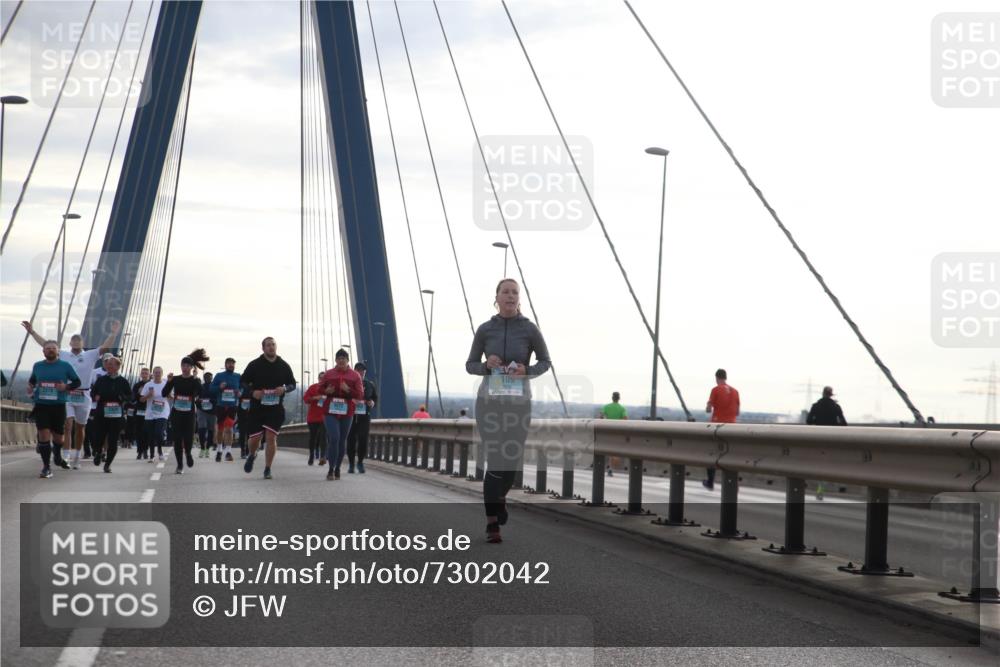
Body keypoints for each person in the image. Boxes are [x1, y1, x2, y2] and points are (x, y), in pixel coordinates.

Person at [466, 278, 551, 543]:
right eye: (506, 292)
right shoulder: (485, 329)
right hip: (489, 403)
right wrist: (486, 365)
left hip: (518, 405)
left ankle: (500, 497)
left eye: (515, 292)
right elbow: (470, 364)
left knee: (511, 462)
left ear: (519, 299)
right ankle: (492, 524)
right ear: (497, 297)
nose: (511, 296)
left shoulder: (529, 329)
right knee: (496, 460)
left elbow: (545, 361)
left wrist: (528, 370)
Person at [21, 319, 120, 468]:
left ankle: (76, 457)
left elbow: (105, 347)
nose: (75, 342)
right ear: (70, 343)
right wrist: (32, 332)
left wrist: (113, 333)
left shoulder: (91, 355)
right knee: (67, 425)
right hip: (67, 393)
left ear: (82, 343)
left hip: (84, 394)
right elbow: (45, 344)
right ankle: (66, 456)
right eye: (73, 340)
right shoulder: (64, 355)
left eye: (78, 340)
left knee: (80, 427)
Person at [242, 337, 296, 480]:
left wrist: (284, 389)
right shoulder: (254, 365)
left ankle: (267, 468)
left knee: (271, 438)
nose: (271, 347)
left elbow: (292, 384)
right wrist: (253, 392)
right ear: (263, 348)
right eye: (268, 345)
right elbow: (243, 382)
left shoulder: (283, 365)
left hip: (275, 409)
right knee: (255, 439)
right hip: (257, 408)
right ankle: (252, 454)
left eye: (273, 344)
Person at [27, 340, 81, 478]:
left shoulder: (65, 366)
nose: (50, 350)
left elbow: (77, 382)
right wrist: (30, 386)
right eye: (48, 348)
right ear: (43, 351)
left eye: (53, 348)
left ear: (58, 352)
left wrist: (66, 387)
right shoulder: (37, 366)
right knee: (44, 434)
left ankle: (57, 455)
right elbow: (33, 379)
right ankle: (46, 467)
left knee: (59, 438)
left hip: (58, 405)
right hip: (41, 405)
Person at [318, 349, 363, 480]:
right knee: (334, 438)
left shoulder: (355, 376)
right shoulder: (328, 374)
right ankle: (331, 469)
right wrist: (326, 390)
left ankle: (337, 468)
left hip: (347, 411)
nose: (341, 360)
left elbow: (360, 395)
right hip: (330, 411)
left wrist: (347, 389)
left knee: (342, 440)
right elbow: (320, 388)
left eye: (344, 358)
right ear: (336, 360)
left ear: (348, 360)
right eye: (339, 358)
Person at [162, 350, 207, 474]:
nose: (185, 368)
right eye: (183, 365)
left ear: (191, 367)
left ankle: (188, 453)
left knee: (188, 438)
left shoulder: (194, 380)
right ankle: (180, 465)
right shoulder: (175, 379)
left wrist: (197, 379)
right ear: (181, 366)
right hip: (177, 413)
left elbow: (202, 393)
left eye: (187, 366)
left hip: (189, 414)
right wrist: (169, 381)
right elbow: (164, 393)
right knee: (177, 439)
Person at [89, 356, 131, 473]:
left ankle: (107, 464)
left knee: (113, 441)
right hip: (101, 414)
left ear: (118, 367)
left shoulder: (123, 381)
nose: (109, 366)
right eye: (108, 364)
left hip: (116, 416)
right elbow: (93, 392)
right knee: (97, 438)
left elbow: (130, 396)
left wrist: (122, 398)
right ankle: (98, 452)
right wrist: (95, 396)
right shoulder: (101, 380)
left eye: (112, 364)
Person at [806, 386, 846, 500]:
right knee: (826, 465)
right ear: (831, 394)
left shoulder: (816, 406)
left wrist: (818, 422)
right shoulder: (836, 406)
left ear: (822, 393)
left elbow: (808, 421)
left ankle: (813, 486)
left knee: (816, 463)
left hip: (818, 439)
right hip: (831, 440)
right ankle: (820, 489)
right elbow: (844, 423)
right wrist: (835, 425)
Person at [703, 368, 740, 490]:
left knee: (711, 453)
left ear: (716, 378)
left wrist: (709, 406)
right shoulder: (735, 391)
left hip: (718, 427)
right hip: (732, 428)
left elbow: (708, 409)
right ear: (725, 377)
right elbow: (737, 412)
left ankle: (710, 481)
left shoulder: (715, 390)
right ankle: (733, 483)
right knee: (730, 455)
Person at [346, 361, 377, 474]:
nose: (361, 372)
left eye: (363, 371)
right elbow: (342, 396)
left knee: (363, 439)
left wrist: (372, 403)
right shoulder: (349, 383)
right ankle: (351, 464)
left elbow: (375, 398)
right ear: (354, 371)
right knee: (351, 440)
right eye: (358, 370)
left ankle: (360, 462)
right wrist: (351, 400)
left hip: (364, 416)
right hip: (351, 415)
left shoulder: (370, 385)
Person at [210, 357, 241, 462]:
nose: (231, 365)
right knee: (220, 430)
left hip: (232, 406)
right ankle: (219, 450)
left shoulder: (237, 376)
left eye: (232, 364)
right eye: (229, 364)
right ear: (225, 364)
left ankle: (228, 452)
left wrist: (239, 392)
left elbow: (242, 388)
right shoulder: (219, 376)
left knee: (229, 429)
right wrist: (219, 387)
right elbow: (211, 389)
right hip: (221, 406)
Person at [141, 366, 170, 463]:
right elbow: (141, 399)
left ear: (162, 374)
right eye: (155, 372)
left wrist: (170, 395)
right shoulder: (148, 385)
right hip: (150, 413)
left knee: (158, 433)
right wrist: (148, 395)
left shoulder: (166, 384)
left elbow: (172, 397)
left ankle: (160, 450)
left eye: (159, 372)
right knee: (151, 435)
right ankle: (152, 455)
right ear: (152, 374)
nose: (157, 374)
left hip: (163, 412)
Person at [302, 371, 328, 466]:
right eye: (320, 378)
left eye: (324, 378)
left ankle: (323, 457)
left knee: (323, 437)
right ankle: (311, 456)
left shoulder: (329, 389)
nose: (322, 379)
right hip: (312, 418)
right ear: (318, 378)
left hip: (325, 417)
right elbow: (305, 399)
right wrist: (315, 398)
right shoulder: (313, 387)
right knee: (313, 438)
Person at [600, 391, 628, 476]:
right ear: (619, 398)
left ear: (612, 398)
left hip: (607, 431)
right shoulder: (622, 408)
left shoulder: (606, 407)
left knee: (608, 449)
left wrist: (606, 421)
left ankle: (608, 467)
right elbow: (625, 418)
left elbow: (601, 416)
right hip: (617, 432)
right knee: (614, 451)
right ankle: (611, 468)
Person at [132, 368, 151, 459]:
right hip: (139, 410)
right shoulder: (137, 385)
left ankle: (145, 450)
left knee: (147, 432)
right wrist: (139, 395)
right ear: (140, 374)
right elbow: (134, 397)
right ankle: (139, 451)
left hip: (149, 410)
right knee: (139, 432)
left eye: (146, 373)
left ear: (149, 374)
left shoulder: (151, 384)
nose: (144, 374)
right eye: (143, 373)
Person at [197, 371, 217, 459]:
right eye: (206, 377)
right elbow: (195, 398)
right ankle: (202, 448)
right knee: (202, 428)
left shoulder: (214, 387)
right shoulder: (200, 387)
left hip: (212, 412)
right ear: (204, 378)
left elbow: (217, 398)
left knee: (211, 430)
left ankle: (207, 448)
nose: (207, 378)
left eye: (209, 377)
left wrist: (210, 400)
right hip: (202, 410)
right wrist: (199, 401)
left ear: (212, 378)